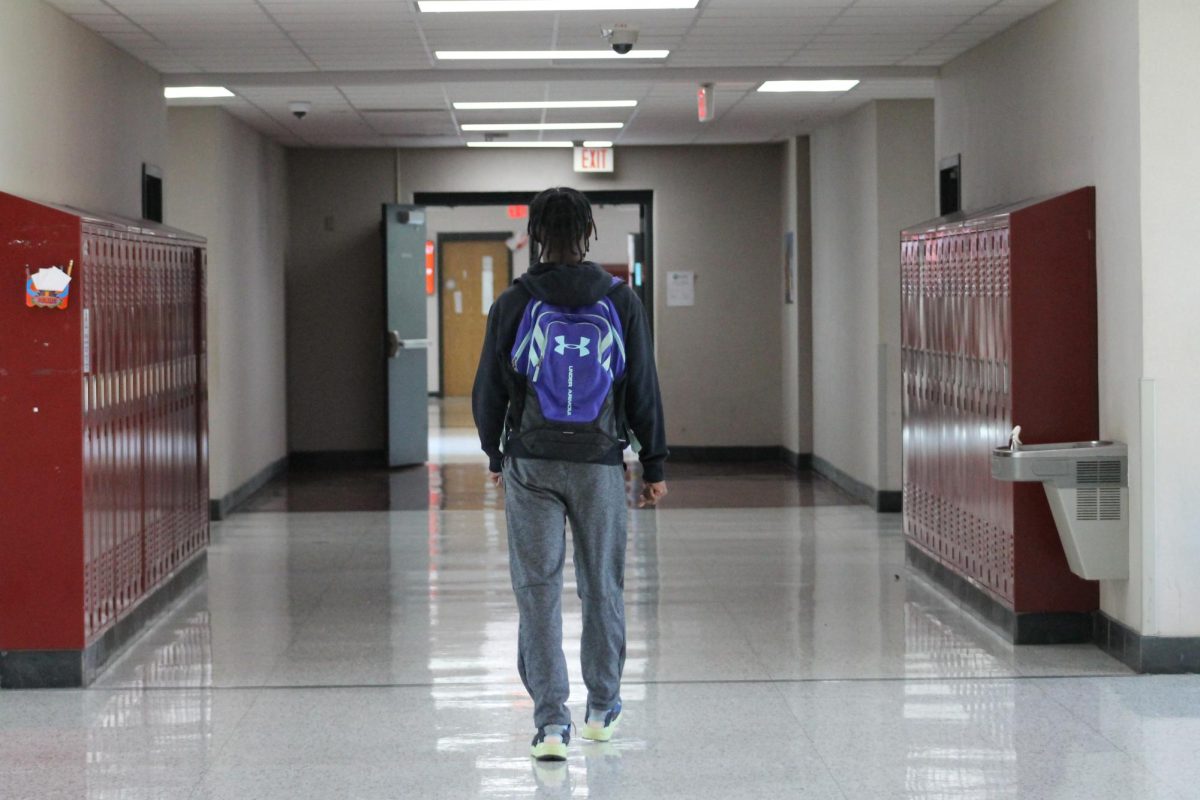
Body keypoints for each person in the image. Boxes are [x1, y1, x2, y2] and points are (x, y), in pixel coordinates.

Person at [472, 186, 668, 761]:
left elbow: (488, 387)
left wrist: (493, 452)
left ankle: (550, 723)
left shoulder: (513, 301)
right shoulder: (621, 299)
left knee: (537, 591)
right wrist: (653, 462)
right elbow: (642, 387)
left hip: (531, 460)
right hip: (599, 461)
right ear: (588, 234)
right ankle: (602, 708)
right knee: (601, 585)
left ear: (534, 234)